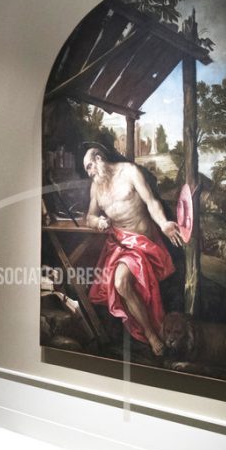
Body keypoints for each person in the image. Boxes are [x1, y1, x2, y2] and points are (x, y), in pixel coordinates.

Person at [82, 143, 183, 356]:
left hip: (143, 241)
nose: (90, 173)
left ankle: (152, 333)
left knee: (121, 282)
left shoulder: (129, 171)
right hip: (120, 243)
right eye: (86, 170)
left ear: (99, 158)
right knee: (120, 283)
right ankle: (151, 333)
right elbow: (89, 217)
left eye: (90, 166)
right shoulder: (96, 186)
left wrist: (164, 223)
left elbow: (151, 202)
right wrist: (97, 221)